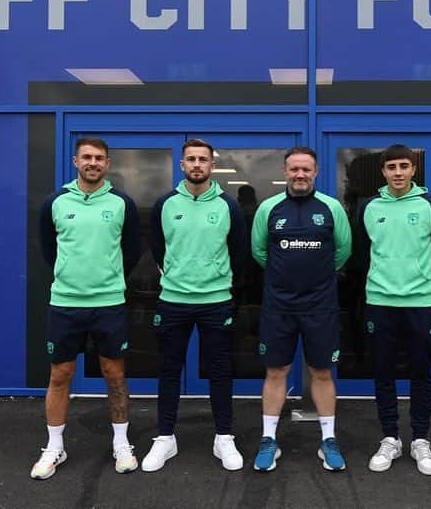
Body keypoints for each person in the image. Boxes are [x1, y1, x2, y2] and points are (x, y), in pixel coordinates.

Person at [32, 136, 141, 479]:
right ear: (75, 162)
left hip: (109, 302)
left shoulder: (122, 202)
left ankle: (121, 444)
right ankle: (54, 447)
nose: (93, 162)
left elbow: (133, 250)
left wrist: (107, 278)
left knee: (115, 375)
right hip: (66, 303)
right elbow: (49, 250)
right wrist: (73, 277)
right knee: (60, 375)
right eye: (87, 157)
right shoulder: (56, 201)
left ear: (108, 164)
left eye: (99, 158)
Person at [142, 139, 246, 472]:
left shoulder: (227, 206)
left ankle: (224, 437)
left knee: (220, 371)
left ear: (212, 165)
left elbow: (239, 252)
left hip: (216, 301)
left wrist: (221, 280)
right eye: (191, 159)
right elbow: (158, 248)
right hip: (173, 300)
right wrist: (175, 275)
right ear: (182, 165)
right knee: (169, 370)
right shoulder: (165, 204)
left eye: (203, 159)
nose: (197, 164)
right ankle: (165, 438)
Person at [351, 144, 431, 476]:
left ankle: (421, 439)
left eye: (404, 166)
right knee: (384, 373)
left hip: (420, 303)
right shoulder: (368, 207)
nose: (397, 172)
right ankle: (390, 438)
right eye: (391, 166)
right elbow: (362, 256)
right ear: (383, 171)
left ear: (413, 170)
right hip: (380, 303)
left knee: (421, 372)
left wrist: (426, 286)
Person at [250, 146, 352, 472]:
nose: (300, 175)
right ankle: (268, 440)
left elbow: (343, 250)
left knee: (321, 372)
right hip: (278, 305)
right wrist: (286, 278)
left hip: (320, 306)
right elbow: (259, 252)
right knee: (275, 371)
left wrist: (316, 279)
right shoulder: (269, 208)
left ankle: (328, 440)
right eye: (294, 169)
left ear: (316, 172)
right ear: (285, 172)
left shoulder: (331, 208)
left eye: (306, 169)